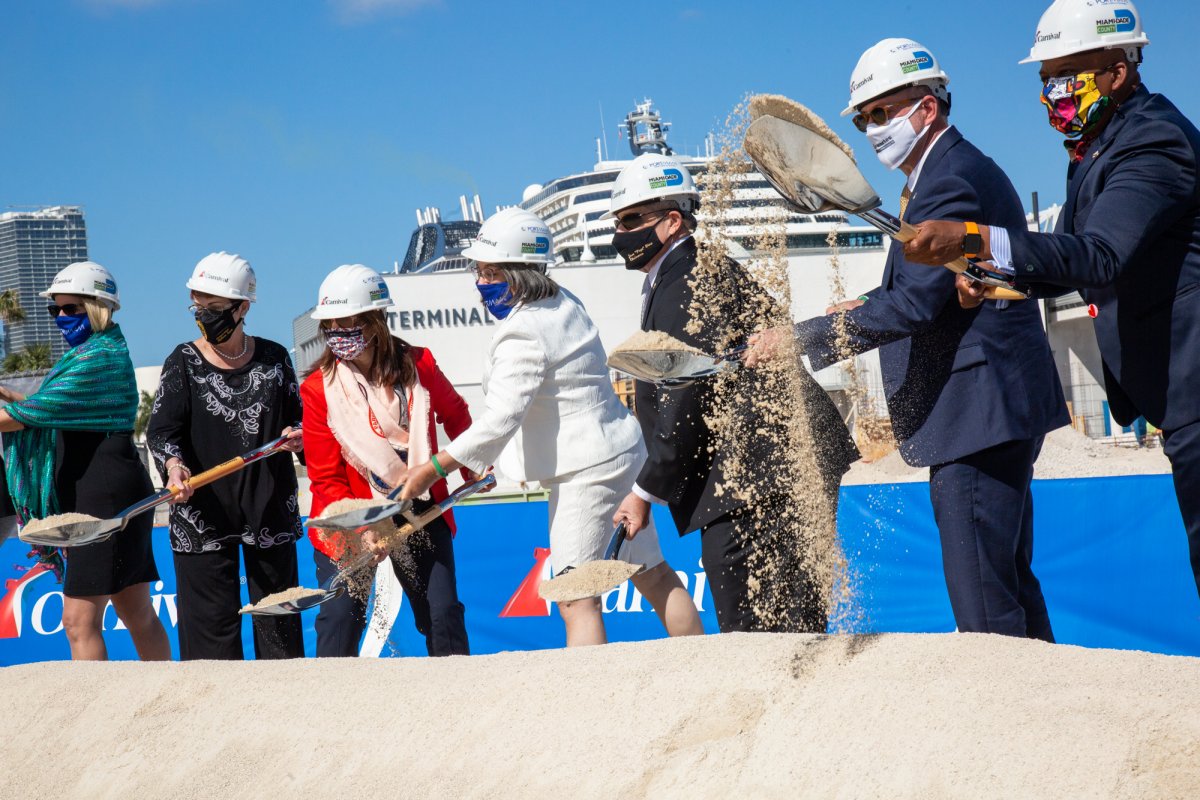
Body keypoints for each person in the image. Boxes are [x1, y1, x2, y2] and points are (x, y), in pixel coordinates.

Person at [747, 39, 1069, 641]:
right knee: (1006, 581)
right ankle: (1046, 716)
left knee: (983, 601)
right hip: (991, 406)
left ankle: (1012, 722)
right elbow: (935, 284)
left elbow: (918, 305)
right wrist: (866, 302)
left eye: (882, 112)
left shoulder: (948, 179)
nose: (873, 129)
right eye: (865, 118)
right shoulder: (940, 175)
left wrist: (801, 340)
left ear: (927, 108)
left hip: (979, 411)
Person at [904, 0, 1200, 601]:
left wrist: (974, 237)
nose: (1051, 91)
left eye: (1067, 72)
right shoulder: (1099, 148)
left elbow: (1098, 255)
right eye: (1044, 78)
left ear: (1118, 71)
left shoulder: (1152, 143)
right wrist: (985, 272)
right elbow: (1070, 259)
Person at [401, 208, 705, 646]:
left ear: (518, 271)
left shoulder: (523, 329)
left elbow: (502, 417)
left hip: (586, 470)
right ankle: (698, 661)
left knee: (575, 596)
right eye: (479, 269)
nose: (479, 280)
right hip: (618, 452)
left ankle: (587, 700)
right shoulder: (563, 302)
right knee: (651, 573)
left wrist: (434, 468)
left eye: (488, 270)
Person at [602, 153, 860, 635]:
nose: (622, 233)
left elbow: (687, 394)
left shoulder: (687, 281)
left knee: (760, 628)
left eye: (632, 218)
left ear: (672, 221)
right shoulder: (690, 270)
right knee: (789, 622)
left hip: (762, 474)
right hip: (771, 464)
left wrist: (643, 490)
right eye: (619, 221)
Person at [0, 261, 170, 661]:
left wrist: (14, 405)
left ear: (99, 307)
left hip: (104, 493)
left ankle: (93, 709)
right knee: (135, 610)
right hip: (109, 486)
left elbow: (28, 418)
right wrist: (10, 393)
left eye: (71, 308)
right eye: (54, 309)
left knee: (79, 620)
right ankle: (169, 696)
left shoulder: (98, 360)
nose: (62, 317)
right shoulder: (99, 352)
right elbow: (50, 411)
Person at [302, 264, 473, 657]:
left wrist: (474, 465)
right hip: (349, 517)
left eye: (346, 323)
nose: (336, 334)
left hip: (420, 508)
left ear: (375, 322)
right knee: (340, 617)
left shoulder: (420, 364)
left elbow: (457, 416)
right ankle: (332, 704)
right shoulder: (317, 390)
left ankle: (460, 696)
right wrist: (362, 530)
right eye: (329, 325)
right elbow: (326, 479)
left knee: (442, 613)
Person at [146, 252, 305, 660]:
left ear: (243, 306)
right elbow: (162, 431)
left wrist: (299, 438)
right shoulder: (181, 361)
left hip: (268, 509)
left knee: (280, 639)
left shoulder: (275, 360)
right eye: (198, 307)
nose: (204, 316)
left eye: (215, 309)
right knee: (209, 649)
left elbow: (302, 425)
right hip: (201, 515)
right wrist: (174, 465)